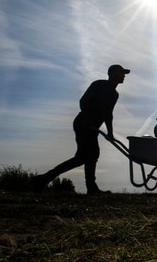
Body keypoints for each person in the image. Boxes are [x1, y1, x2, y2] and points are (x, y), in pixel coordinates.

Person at [32, 64, 130, 195]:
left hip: (92, 128)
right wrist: (88, 120)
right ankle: (44, 179)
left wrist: (110, 133)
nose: (124, 76)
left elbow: (108, 114)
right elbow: (83, 102)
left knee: (90, 155)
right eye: (122, 73)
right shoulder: (98, 85)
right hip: (82, 124)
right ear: (113, 73)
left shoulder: (114, 94)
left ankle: (45, 179)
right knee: (84, 157)